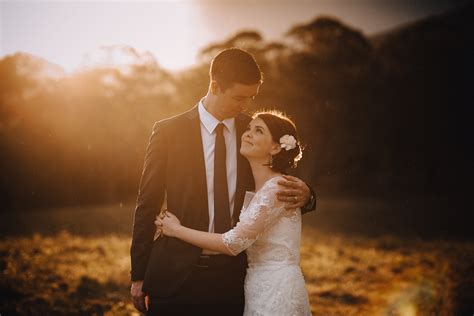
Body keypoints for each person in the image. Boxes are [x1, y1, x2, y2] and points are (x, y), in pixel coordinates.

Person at [130, 47, 316, 315]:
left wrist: (309, 195)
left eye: (251, 97)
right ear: (215, 86)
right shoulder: (168, 132)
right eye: (239, 98)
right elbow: (146, 204)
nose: (246, 107)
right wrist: (138, 274)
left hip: (233, 280)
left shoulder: (252, 133)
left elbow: (278, 180)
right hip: (175, 276)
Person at [156, 110, 312, 315]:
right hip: (255, 286)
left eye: (258, 131)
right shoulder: (258, 189)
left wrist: (176, 230)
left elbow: (232, 244)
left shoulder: (277, 189)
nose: (247, 134)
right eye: (248, 128)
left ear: (275, 147)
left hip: (277, 289)